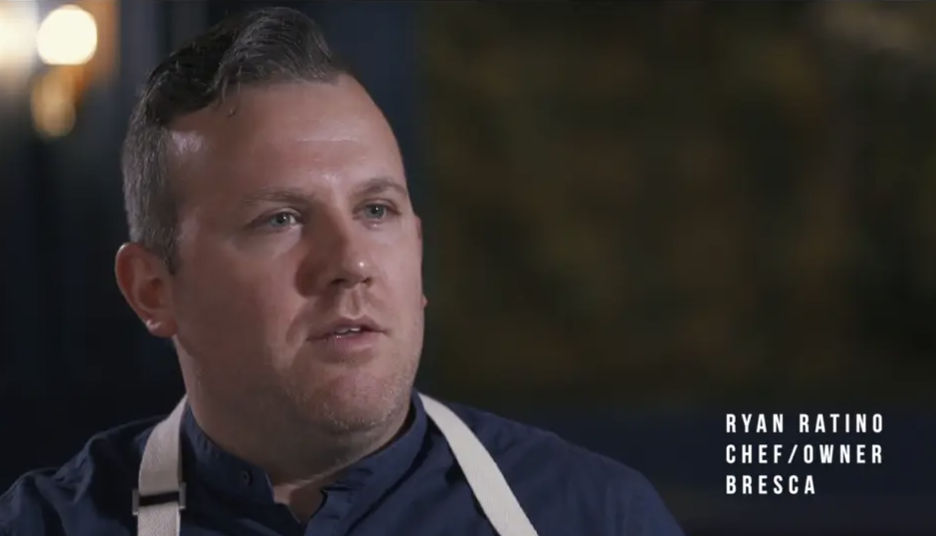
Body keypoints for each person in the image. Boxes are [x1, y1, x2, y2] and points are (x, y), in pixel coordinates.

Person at [0, 7, 684, 536]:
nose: (352, 263)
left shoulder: (595, 516)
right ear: (153, 290)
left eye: (376, 210)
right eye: (281, 219)